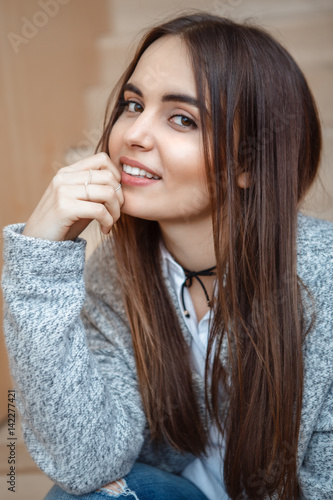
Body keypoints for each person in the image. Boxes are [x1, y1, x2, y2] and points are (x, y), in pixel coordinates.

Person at [2, 12, 332, 500]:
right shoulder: (115, 274)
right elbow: (83, 462)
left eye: (182, 118)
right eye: (132, 105)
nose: (133, 134)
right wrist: (41, 261)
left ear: (247, 162)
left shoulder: (321, 281)